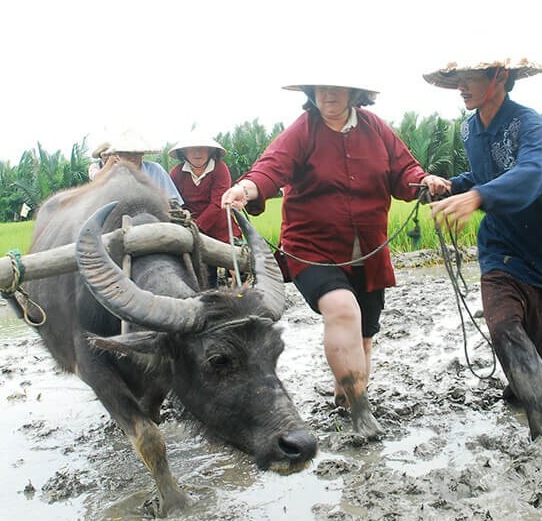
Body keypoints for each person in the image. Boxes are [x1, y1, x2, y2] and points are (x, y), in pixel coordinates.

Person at [221, 81, 450, 439]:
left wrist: (424, 181)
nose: (328, 96)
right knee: (342, 310)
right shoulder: (303, 130)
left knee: (364, 335)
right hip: (313, 247)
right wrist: (244, 189)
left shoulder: (375, 129)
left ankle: (347, 395)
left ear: (355, 95)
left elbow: (405, 171)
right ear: (311, 94)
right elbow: (271, 168)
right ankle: (361, 410)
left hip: (368, 251)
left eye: (338, 90)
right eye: (321, 89)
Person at [423, 58, 542, 439]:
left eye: (469, 78)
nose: (461, 87)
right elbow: (484, 176)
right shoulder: (469, 129)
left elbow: (532, 173)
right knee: (503, 326)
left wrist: (479, 196)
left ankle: (523, 396)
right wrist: (453, 187)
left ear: (499, 76)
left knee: (539, 363)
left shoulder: (528, 123)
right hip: (500, 248)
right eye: (457, 80)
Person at [169, 134, 241, 286]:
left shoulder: (220, 169)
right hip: (192, 228)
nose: (197, 153)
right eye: (192, 149)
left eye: (202, 149)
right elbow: (175, 203)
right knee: (204, 274)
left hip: (221, 227)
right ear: (184, 153)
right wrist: (188, 228)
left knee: (238, 268)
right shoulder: (176, 173)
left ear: (210, 151)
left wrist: (197, 227)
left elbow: (218, 202)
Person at [98, 129, 182, 203]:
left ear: (142, 153)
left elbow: (173, 200)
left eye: (136, 153)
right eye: (127, 153)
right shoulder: (111, 174)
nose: (132, 158)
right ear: (119, 155)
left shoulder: (156, 170)